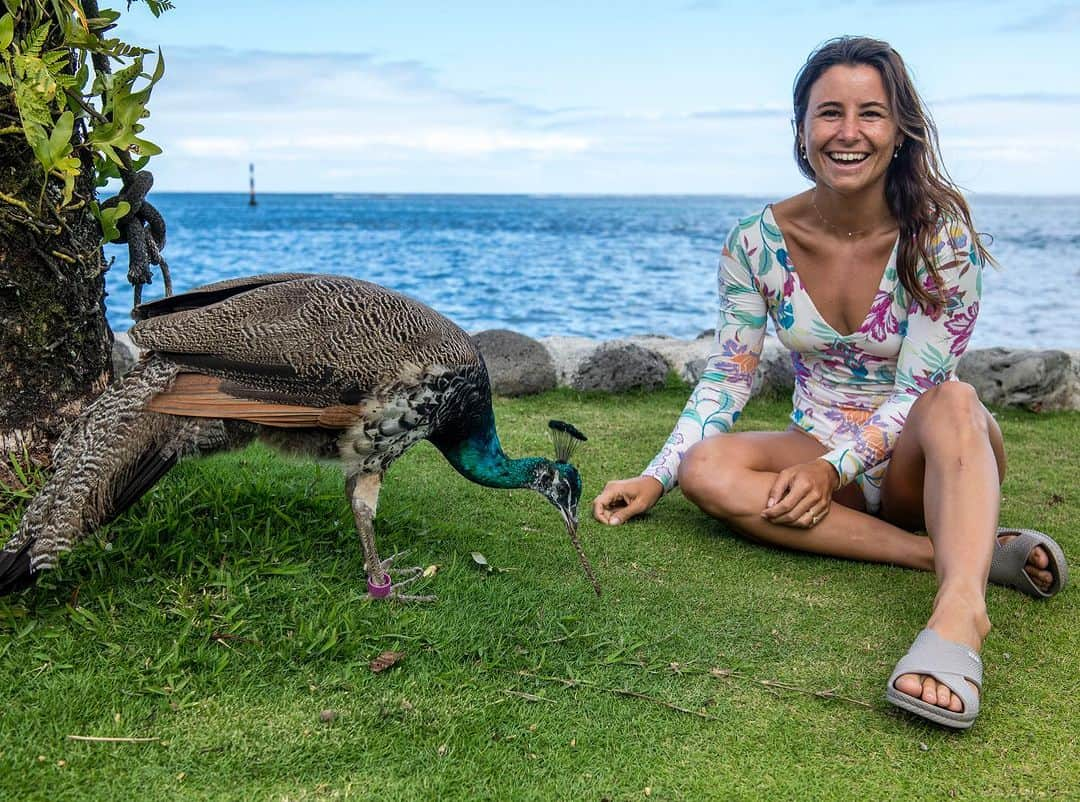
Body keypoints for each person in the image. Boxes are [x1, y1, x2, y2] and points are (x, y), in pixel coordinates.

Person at [592, 35, 1068, 730]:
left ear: (900, 131)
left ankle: (961, 613)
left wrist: (828, 467)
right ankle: (954, 552)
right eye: (829, 114)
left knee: (956, 398)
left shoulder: (941, 239)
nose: (849, 133)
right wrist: (656, 476)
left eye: (870, 113)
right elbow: (728, 374)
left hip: (925, 458)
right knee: (708, 471)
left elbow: (919, 392)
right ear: (801, 130)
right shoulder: (754, 242)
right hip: (817, 453)